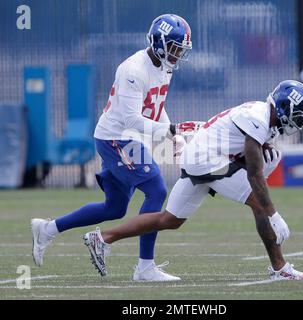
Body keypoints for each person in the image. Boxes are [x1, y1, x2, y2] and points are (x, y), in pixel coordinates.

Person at [83, 80, 303, 281]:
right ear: (286, 107)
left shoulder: (264, 117)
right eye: (297, 116)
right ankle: (280, 268)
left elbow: (245, 154)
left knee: (170, 219)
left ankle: (103, 238)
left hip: (202, 156)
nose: (298, 123)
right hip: (204, 159)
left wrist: (261, 148)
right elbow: (254, 174)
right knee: (258, 201)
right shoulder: (257, 117)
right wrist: (274, 215)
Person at [31, 14, 201, 282]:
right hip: (117, 138)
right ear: (158, 42)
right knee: (156, 190)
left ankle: (48, 229)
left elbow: (155, 106)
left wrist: (171, 135)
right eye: (174, 48)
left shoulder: (162, 67)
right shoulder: (133, 70)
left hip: (127, 138)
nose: (177, 54)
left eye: (180, 50)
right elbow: (132, 119)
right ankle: (145, 267)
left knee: (114, 208)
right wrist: (171, 130)